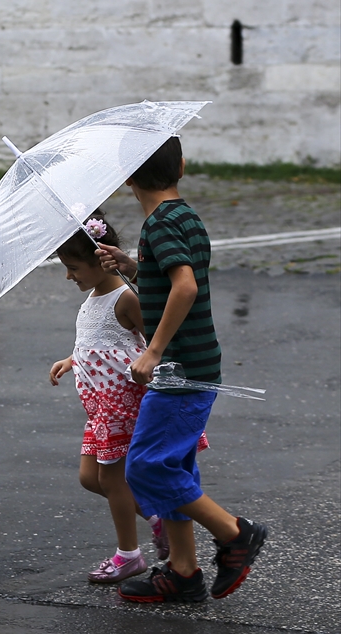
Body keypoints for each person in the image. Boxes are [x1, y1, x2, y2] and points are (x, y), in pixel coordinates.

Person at [97, 136, 268, 602]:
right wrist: (134, 266)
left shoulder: (160, 224)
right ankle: (183, 571)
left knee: (147, 467)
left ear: (128, 178)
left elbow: (185, 287)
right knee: (173, 466)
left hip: (180, 367)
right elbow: (171, 278)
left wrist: (152, 351)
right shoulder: (182, 216)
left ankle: (236, 533)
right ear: (183, 167)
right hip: (193, 361)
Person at [48, 210, 167, 583]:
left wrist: (154, 364)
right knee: (90, 478)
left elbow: (154, 341)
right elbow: (97, 343)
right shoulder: (92, 298)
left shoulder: (124, 298)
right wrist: (71, 359)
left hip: (121, 405)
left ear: (101, 259)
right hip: (99, 408)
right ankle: (155, 518)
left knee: (112, 481)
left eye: (73, 267)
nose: (69, 275)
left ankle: (128, 555)